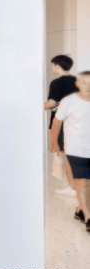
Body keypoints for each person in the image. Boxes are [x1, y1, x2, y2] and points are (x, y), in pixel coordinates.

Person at [51, 71, 90, 233]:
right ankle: (88, 218)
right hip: (76, 149)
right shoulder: (69, 101)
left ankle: (80, 210)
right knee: (82, 182)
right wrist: (55, 143)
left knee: (88, 183)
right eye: (84, 83)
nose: (88, 87)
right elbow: (56, 122)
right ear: (78, 84)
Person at [45, 55, 77, 197]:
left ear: (57, 66)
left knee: (67, 156)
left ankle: (72, 188)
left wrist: (34, 108)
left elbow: (51, 103)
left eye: (53, 65)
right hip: (78, 123)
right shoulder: (78, 81)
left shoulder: (57, 83)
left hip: (64, 124)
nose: (52, 68)